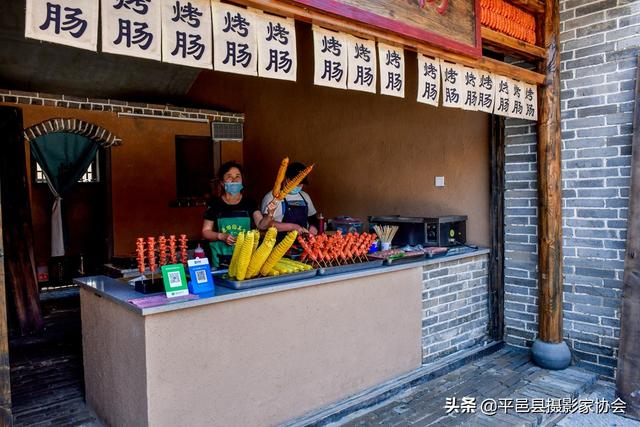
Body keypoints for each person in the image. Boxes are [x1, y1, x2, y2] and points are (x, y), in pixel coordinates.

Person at [202, 161, 274, 268]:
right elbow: (205, 232)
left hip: (245, 256)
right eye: (229, 177)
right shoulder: (215, 204)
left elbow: (261, 225)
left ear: (242, 181)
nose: (234, 180)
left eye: (237, 177)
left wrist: (269, 214)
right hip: (221, 257)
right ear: (222, 182)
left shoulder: (249, 203)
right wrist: (221, 236)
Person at [261, 161, 319, 236]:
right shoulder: (272, 197)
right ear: (286, 178)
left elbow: (313, 218)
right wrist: (292, 227)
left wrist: (313, 227)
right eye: (295, 182)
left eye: (300, 183)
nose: (297, 185)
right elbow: (266, 225)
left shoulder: (305, 196)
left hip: (301, 242)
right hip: (278, 242)